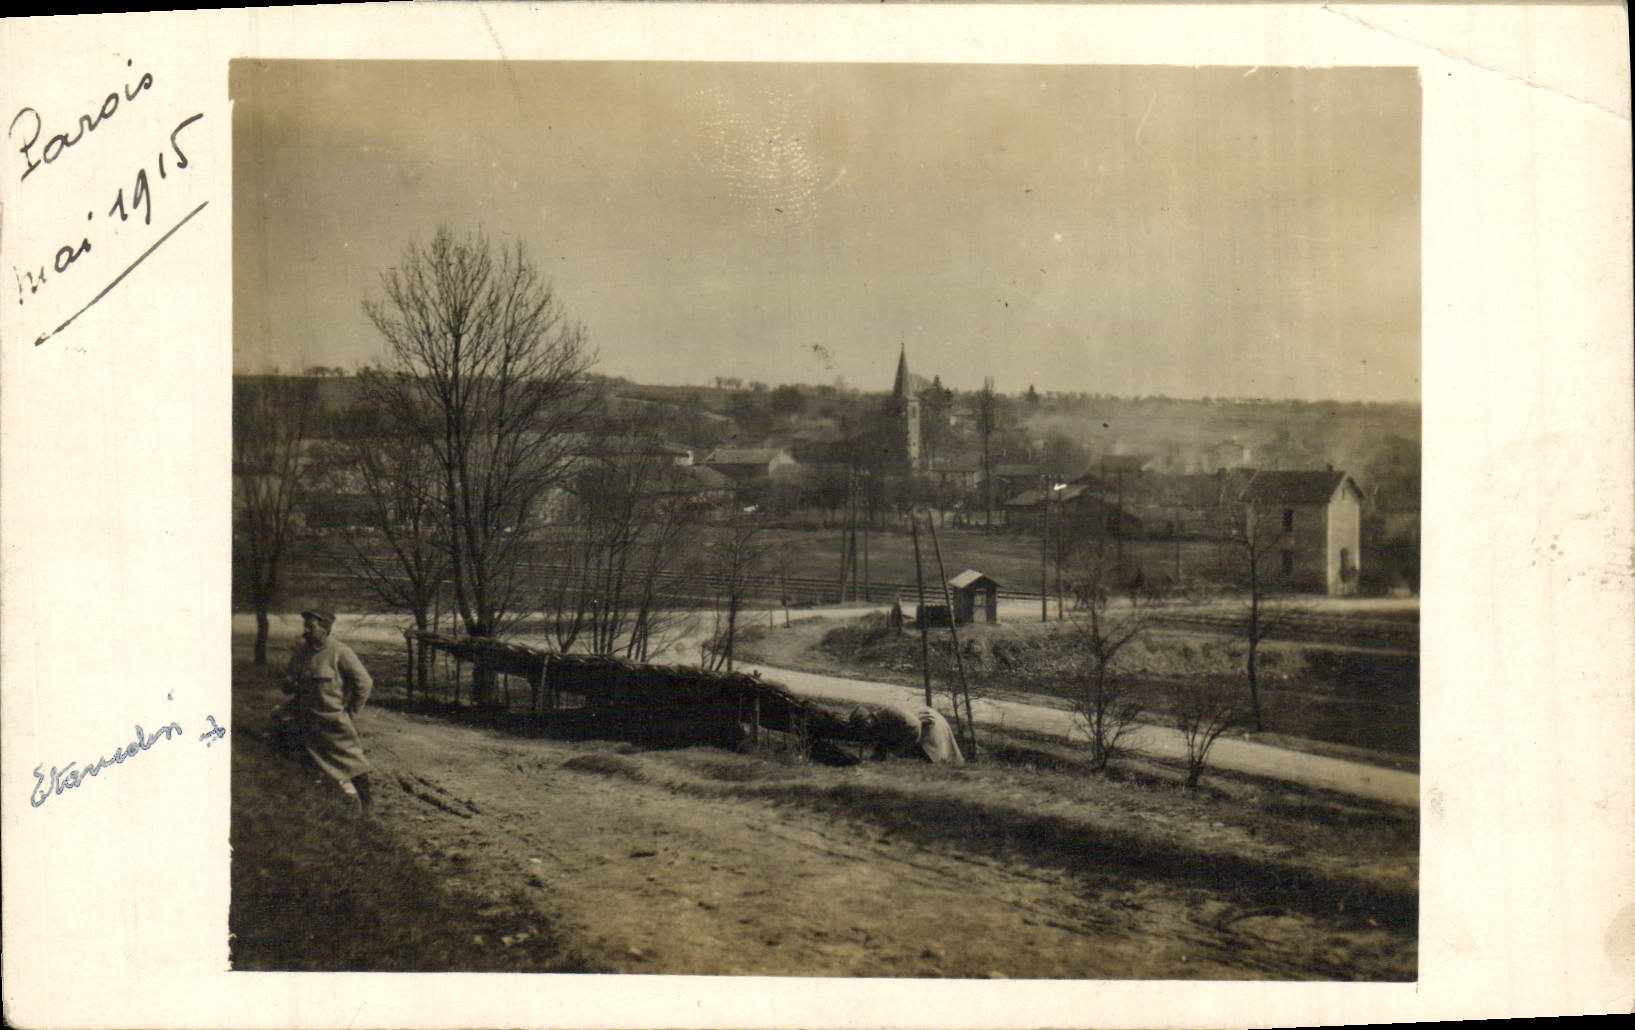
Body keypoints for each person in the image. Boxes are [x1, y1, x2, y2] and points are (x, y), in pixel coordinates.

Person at [274, 609, 376, 813]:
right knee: (291, 750)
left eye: (310, 627)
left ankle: (367, 805)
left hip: (331, 721)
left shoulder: (340, 652)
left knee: (351, 761)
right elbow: (288, 683)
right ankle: (313, 802)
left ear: (325, 628)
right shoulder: (301, 653)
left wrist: (351, 713)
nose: (306, 630)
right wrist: (289, 683)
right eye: (305, 626)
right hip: (304, 718)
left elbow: (364, 683)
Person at [846, 701, 965, 765]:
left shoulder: (890, 712)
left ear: (868, 720)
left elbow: (914, 725)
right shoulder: (878, 724)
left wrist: (903, 749)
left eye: (863, 726)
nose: (865, 730)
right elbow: (883, 743)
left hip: (932, 725)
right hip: (923, 726)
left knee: (937, 762)